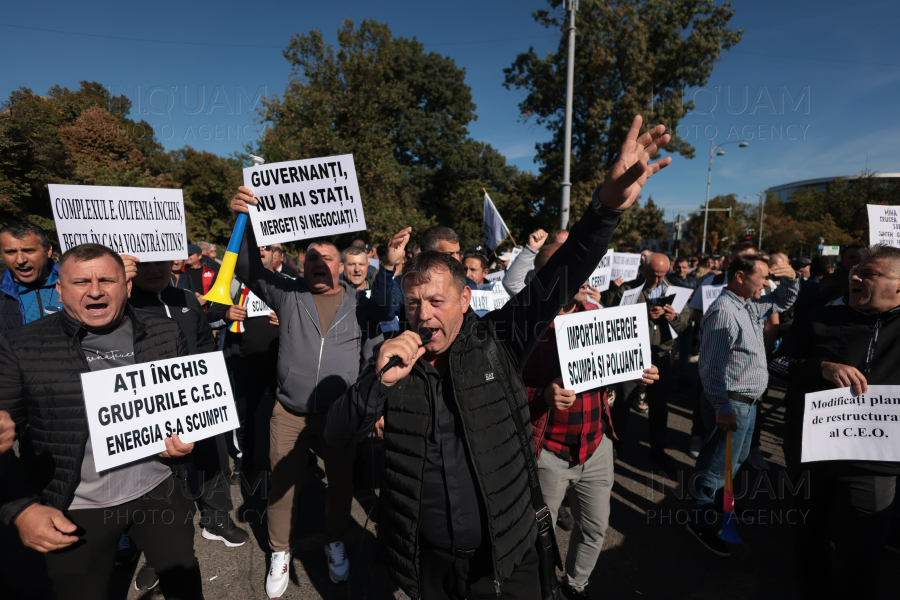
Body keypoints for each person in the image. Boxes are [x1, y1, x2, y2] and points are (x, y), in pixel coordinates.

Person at [324, 115, 672, 599]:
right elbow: (336, 433)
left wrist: (606, 209)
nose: (424, 316)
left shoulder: (497, 339)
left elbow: (558, 280)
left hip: (508, 556)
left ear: (465, 300)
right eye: (414, 304)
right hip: (428, 566)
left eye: (437, 302)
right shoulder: (392, 362)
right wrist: (375, 384)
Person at [229, 189, 409, 597]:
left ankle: (333, 541)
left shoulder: (359, 303)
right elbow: (250, 270)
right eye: (311, 257)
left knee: (340, 485)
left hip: (338, 416)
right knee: (281, 484)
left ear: (341, 267)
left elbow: (385, 308)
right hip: (289, 413)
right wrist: (240, 224)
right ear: (303, 265)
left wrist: (393, 263)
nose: (318, 263)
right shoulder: (287, 293)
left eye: (327, 257)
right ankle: (279, 551)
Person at [0, 244, 203, 600]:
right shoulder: (21, 346)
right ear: (60, 290)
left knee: (185, 588)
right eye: (81, 281)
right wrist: (20, 509)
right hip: (77, 507)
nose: (95, 290)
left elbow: (186, 409)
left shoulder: (165, 332)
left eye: (106, 280)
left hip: (160, 493)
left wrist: (186, 442)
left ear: (126, 286)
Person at [522, 243, 659, 600]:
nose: (582, 276)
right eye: (570, 268)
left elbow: (608, 370)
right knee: (538, 536)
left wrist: (635, 371)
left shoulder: (596, 314)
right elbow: (499, 392)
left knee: (596, 528)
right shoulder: (522, 325)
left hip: (596, 445)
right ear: (545, 277)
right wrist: (541, 396)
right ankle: (542, 588)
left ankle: (576, 585)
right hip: (547, 451)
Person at [770, 243, 900, 599]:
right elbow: (777, 364)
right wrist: (821, 368)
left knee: (863, 552)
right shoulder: (820, 316)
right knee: (809, 539)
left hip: (874, 464)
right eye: (856, 270)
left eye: (869, 274)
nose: (855, 276)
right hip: (813, 456)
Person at [126, 258, 248, 590]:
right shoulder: (123, 301)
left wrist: (213, 385)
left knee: (212, 463)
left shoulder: (186, 298)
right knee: (163, 484)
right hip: (150, 410)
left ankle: (216, 520)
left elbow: (206, 344)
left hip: (198, 404)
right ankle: (157, 554)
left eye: (160, 264)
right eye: (145, 265)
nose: (153, 271)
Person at [686, 253, 798, 556]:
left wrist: (789, 277)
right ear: (739, 276)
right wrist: (722, 407)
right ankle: (699, 519)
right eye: (760, 277)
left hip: (745, 402)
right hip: (732, 403)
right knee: (713, 466)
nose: (766, 283)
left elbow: (783, 301)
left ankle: (722, 508)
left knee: (731, 462)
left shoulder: (747, 305)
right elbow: (710, 368)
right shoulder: (725, 312)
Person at [606, 253, 691, 471]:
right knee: (624, 401)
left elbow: (684, 324)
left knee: (659, 404)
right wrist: (644, 315)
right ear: (643, 269)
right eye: (653, 275)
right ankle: (615, 446)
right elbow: (614, 321)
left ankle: (658, 449)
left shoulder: (675, 291)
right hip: (634, 354)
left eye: (662, 276)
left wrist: (674, 317)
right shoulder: (628, 290)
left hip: (661, 355)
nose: (656, 281)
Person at [0, 223, 63, 330]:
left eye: (29, 251)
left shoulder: (74, 284)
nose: (20, 260)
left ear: (48, 250)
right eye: (11, 252)